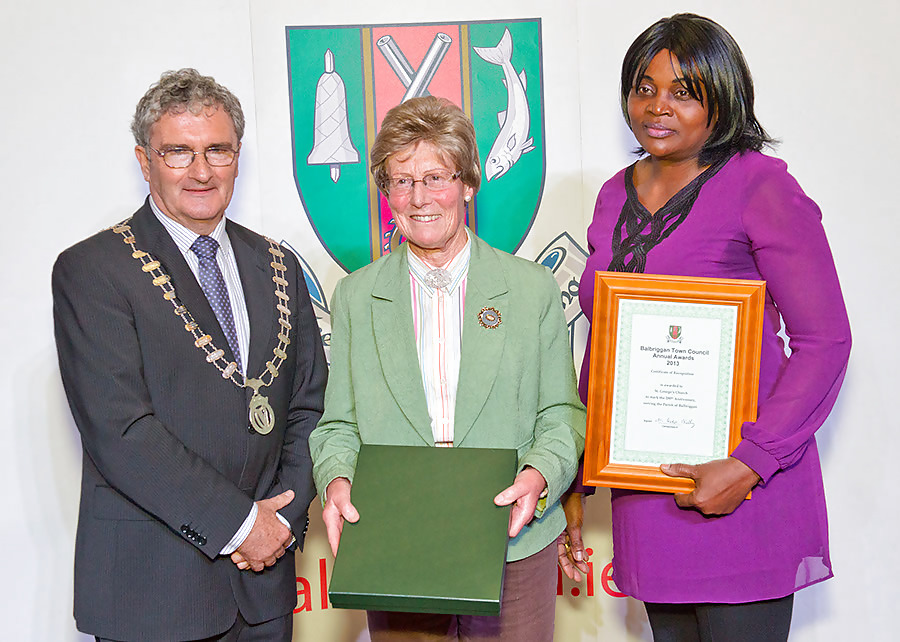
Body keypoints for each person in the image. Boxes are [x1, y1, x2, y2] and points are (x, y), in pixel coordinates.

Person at [573, 13, 852, 641]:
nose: (657, 108)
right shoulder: (614, 195)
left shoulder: (762, 186)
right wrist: (582, 463)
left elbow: (825, 342)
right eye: (643, 88)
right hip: (647, 494)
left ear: (723, 98)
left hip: (742, 492)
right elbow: (608, 342)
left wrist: (750, 462)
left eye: (684, 92)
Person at [52, 68, 327, 641]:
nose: (201, 171)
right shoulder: (94, 270)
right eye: (178, 152)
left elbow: (308, 406)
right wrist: (241, 525)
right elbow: (122, 431)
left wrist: (279, 522)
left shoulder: (278, 264)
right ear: (143, 159)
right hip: (152, 595)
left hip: (264, 588)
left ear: (237, 157)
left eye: (217, 151)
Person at [309, 96, 585, 641]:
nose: (418, 198)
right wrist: (336, 479)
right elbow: (338, 425)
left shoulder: (530, 289)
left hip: (513, 538)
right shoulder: (355, 296)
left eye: (435, 176)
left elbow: (562, 414)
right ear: (385, 191)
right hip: (395, 541)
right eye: (400, 181)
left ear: (467, 182)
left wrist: (539, 477)